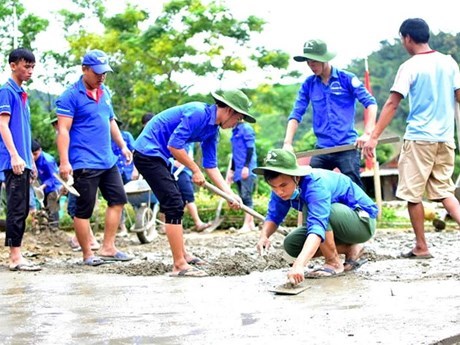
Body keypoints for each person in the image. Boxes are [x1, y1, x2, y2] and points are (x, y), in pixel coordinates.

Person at [363, 18, 460, 259]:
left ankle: (421, 246)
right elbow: (459, 96)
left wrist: (373, 137)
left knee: (412, 194)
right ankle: (421, 245)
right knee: (445, 191)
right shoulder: (449, 63)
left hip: (419, 138)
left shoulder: (410, 66)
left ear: (407, 38)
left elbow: (392, 103)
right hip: (445, 138)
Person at [133, 89, 254, 277]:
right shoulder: (197, 112)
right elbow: (174, 145)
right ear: (230, 111)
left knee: (177, 203)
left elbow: (211, 166)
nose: (236, 124)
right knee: (173, 203)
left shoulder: (212, 131)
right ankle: (179, 264)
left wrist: (229, 193)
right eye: (238, 118)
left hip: (160, 157)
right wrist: (195, 170)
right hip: (147, 152)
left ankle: (183, 255)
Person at [56, 49, 133, 266]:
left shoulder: (105, 92)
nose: (101, 77)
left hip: (108, 160)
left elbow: (110, 122)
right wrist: (64, 161)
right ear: (84, 69)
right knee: (84, 210)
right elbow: (63, 130)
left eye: (105, 73)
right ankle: (88, 255)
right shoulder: (70, 96)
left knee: (118, 200)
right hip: (84, 162)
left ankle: (108, 247)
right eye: (97, 72)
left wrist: (123, 146)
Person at [254, 149, 378, 284]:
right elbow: (274, 215)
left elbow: (318, 224)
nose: (279, 191)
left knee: (312, 208)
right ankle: (351, 248)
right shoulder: (279, 191)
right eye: (274, 187)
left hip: (362, 222)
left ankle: (333, 262)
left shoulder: (315, 184)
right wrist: (264, 236)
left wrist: (299, 265)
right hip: (335, 224)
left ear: (296, 176)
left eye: (283, 185)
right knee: (292, 244)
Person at [283, 39, 378, 190]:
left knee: (353, 187)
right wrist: (287, 143)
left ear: (325, 59)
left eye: (314, 61)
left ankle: (362, 212)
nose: (311, 65)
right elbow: (296, 114)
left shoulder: (346, 79)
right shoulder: (309, 84)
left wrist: (367, 133)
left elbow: (371, 103)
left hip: (347, 146)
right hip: (322, 148)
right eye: (308, 61)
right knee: (311, 185)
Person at [0, 48, 41, 271]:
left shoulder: (22, 95)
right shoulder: (6, 92)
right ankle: (15, 258)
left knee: (23, 208)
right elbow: (2, 125)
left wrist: (30, 161)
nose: (30, 70)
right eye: (26, 66)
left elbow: (23, 133)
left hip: (23, 161)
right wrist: (15, 156)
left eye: (32, 66)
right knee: (16, 209)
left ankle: (17, 253)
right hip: (12, 161)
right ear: (13, 65)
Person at [44, 114, 100, 250]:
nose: (56, 127)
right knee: (75, 210)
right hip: (74, 179)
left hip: (81, 177)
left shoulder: (71, 137)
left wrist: (68, 182)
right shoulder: (66, 138)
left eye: (56, 124)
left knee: (77, 209)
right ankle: (85, 239)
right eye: (54, 125)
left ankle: (89, 240)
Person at [171, 142, 211, 232]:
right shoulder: (182, 137)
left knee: (183, 199)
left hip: (185, 171)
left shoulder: (191, 141)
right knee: (186, 197)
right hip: (178, 172)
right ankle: (197, 223)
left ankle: (180, 224)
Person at [227, 119, 258, 233]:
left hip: (247, 169)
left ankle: (246, 225)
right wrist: (232, 170)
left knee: (246, 197)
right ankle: (251, 224)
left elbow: (250, 148)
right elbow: (235, 153)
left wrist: (246, 167)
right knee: (242, 196)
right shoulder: (234, 131)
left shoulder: (246, 128)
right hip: (238, 170)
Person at [112, 117, 136, 237]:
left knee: (136, 199)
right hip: (115, 173)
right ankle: (122, 228)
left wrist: (136, 170)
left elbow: (135, 152)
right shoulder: (105, 139)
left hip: (128, 171)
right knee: (118, 200)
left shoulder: (126, 136)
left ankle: (140, 224)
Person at [31, 139, 62, 230]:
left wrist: (42, 186)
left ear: (40, 150)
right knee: (44, 207)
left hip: (54, 186)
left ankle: (54, 229)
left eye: (35, 154)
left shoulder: (48, 160)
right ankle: (45, 229)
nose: (33, 157)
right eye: (31, 154)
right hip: (42, 187)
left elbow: (54, 177)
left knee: (52, 206)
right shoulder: (32, 160)